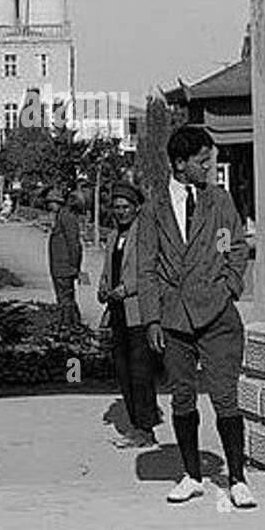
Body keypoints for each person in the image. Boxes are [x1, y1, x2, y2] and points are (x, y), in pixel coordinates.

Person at [137, 125, 257, 508]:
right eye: (201, 161)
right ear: (179, 164)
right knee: (182, 398)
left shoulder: (218, 202)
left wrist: (230, 286)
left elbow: (232, 245)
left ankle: (237, 478)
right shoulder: (153, 209)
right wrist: (152, 319)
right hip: (174, 319)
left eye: (210, 159)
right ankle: (191, 475)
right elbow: (146, 267)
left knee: (226, 396)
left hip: (217, 314)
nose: (209, 167)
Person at [98, 181, 161, 448]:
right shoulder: (113, 236)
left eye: (126, 207)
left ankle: (145, 427)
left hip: (138, 310)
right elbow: (109, 266)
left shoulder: (143, 234)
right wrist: (103, 285)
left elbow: (150, 269)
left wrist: (127, 288)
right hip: (117, 311)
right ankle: (136, 423)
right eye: (117, 208)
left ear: (136, 209)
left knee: (140, 371)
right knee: (123, 369)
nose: (121, 212)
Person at [46, 186, 83, 329]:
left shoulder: (66, 217)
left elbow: (74, 244)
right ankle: (69, 323)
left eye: (51, 202)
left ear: (57, 202)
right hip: (59, 266)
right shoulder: (61, 216)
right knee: (64, 297)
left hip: (64, 267)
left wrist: (74, 266)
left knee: (66, 298)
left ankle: (69, 325)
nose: (49, 205)